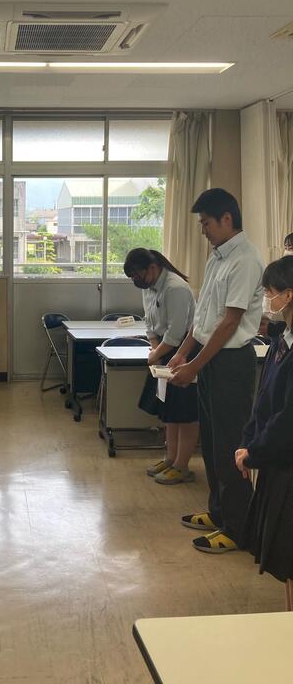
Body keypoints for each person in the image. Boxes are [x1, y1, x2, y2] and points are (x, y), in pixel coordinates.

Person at [168, 188, 263, 553]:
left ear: (227, 219)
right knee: (210, 441)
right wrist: (183, 353)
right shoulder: (217, 258)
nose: (203, 230)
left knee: (229, 443)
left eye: (206, 223)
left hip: (231, 361)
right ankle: (219, 511)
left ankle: (238, 528)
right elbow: (204, 315)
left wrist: (194, 364)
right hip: (209, 359)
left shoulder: (246, 259)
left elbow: (230, 322)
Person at [236, 257, 293, 604]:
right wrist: (249, 443)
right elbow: (264, 402)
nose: (267, 300)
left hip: (287, 463)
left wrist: (255, 452)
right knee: (286, 563)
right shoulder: (281, 341)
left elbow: (287, 418)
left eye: (270, 292)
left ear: (288, 294)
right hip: (277, 461)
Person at [124, 248, 198, 484]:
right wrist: (155, 351)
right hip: (165, 351)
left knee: (186, 413)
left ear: (153, 268)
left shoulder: (175, 288)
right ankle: (170, 458)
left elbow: (176, 333)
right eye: (132, 277)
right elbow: (149, 324)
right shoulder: (149, 287)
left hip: (185, 351)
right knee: (169, 410)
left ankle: (182, 466)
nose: (136, 281)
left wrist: (156, 354)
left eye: (138, 275)